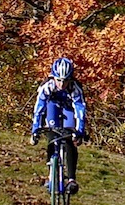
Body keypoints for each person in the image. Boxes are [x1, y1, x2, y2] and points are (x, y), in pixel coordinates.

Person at [30, 56, 87, 194]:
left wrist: (79, 131)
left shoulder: (75, 88)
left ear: (70, 79)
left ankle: (72, 179)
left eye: (65, 80)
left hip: (69, 108)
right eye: (59, 80)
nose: (62, 84)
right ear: (53, 77)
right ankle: (51, 175)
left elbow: (80, 110)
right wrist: (35, 130)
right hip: (52, 107)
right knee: (52, 135)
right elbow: (39, 108)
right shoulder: (47, 86)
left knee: (69, 137)